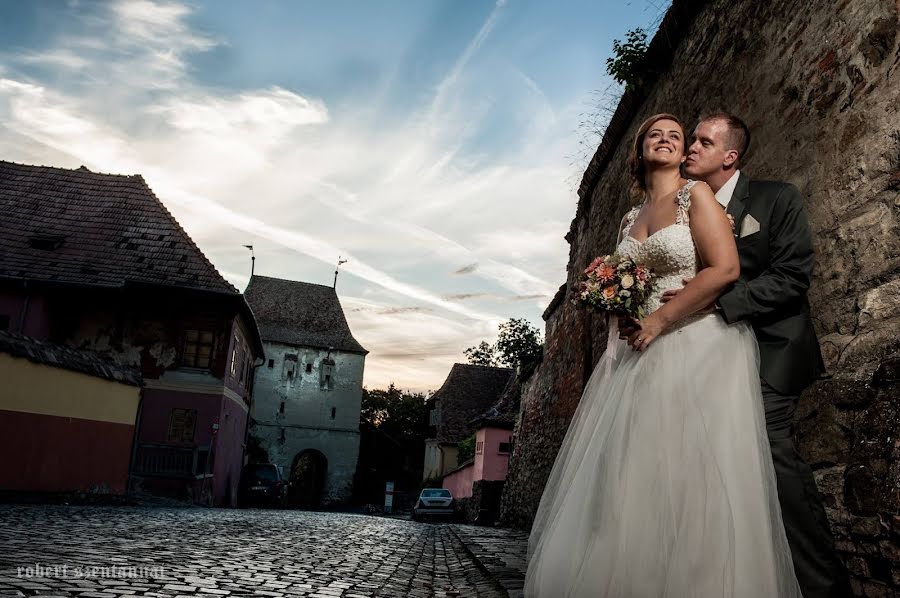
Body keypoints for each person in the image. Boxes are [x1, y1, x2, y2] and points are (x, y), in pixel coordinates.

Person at [524, 113, 801, 597]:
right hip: (639, 354)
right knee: (632, 478)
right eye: (659, 134)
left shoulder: (698, 197)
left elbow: (726, 269)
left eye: (679, 135)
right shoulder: (629, 219)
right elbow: (621, 284)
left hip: (697, 344)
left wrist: (659, 321)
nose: (672, 140)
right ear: (641, 150)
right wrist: (624, 313)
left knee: (694, 476)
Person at [665, 112, 846, 598]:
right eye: (691, 140)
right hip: (700, 355)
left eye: (703, 141)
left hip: (769, 350)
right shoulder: (681, 211)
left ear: (730, 156)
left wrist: (718, 302)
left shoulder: (775, 198)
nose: (689, 149)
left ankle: (823, 588)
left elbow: (792, 276)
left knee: (770, 460)